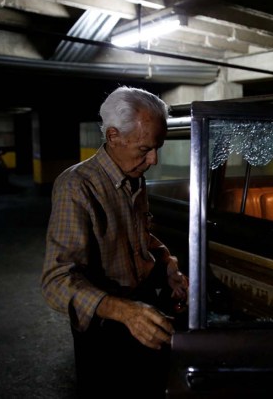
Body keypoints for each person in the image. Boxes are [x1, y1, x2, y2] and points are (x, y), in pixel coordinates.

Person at [40, 86, 188, 398]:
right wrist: (124, 312)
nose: (153, 159)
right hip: (105, 327)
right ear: (112, 136)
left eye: (157, 148)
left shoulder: (134, 175)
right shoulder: (76, 186)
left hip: (143, 308)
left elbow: (138, 235)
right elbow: (57, 281)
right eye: (144, 149)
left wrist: (167, 263)